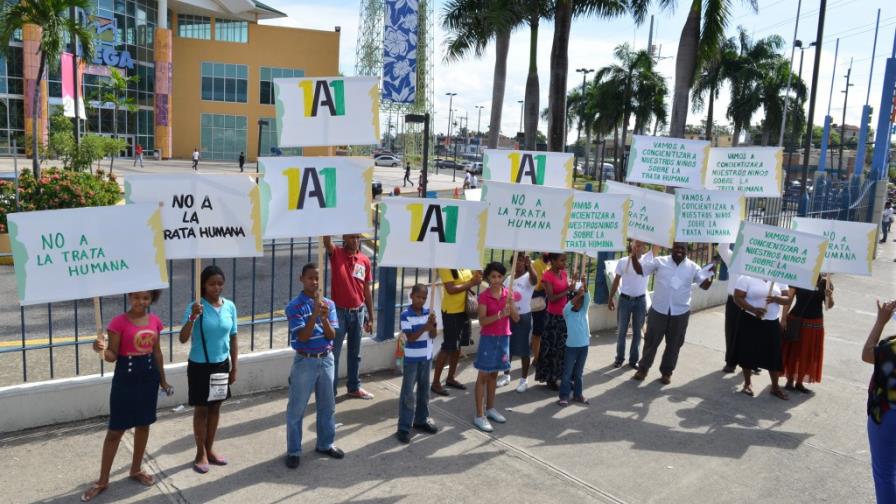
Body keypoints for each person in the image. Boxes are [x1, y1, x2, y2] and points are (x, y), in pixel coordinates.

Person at [80, 290, 170, 502]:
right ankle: (102, 480)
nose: (141, 301)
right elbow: (112, 356)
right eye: (137, 297)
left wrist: (163, 380)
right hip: (125, 378)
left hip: (148, 377)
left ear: (151, 300)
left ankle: (136, 469)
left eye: (146, 298)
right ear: (130, 297)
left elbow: (157, 352)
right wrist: (99, 349)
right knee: (115, 430)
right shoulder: (118, 323)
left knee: (144, 425)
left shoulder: (155, 321)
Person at [179, 265, 238, 474]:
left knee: (215, 408)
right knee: (201, 410)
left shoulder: (230, 306)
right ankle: (199, 453)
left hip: (221, 364)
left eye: (220, 284)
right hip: (200, 366)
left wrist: (234, 366)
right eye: (212, 284)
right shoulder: (195, 307)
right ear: (203, 285)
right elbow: (183, 338)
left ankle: (210, 448)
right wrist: (192, 317)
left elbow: (233, 337)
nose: (216, 288)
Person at [284, 263, 343, 468]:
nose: (314, 282)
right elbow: (303, 336)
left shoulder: (329, 304)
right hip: (305, 361)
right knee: (297, 408)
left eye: (318, 278)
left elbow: (332, 335)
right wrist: (313, 315)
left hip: (326, 359)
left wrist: (324, 318)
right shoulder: (294, 306)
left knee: (328, 405)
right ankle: (294, 450)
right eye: (310, 278)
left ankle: (325, 443)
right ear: (302, 279)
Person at [632, 243, 713, 385]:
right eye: (677, 247)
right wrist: (634, 254)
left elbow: (705, 286)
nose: (679, 250)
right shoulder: (660, 262)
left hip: (680, 313)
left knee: (674, 344)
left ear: (687, 250)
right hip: (659, 310)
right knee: (651, 341)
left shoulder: (693, 267)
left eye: (682, 248)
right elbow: (640, 270)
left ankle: (667, 373)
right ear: (671, 249)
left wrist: (710, 274)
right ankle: (643, 369)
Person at [323, 235, 375, 400]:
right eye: (351, 237)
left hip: (358, 313)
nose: (355, 240)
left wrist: (371, 316)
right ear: (344, 238)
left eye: (357, 237)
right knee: (334, 354)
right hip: (338, 313)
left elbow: (366, 290)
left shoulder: (364, 260)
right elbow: (326, 242)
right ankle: (330, 392)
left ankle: (354, 387)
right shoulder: (336, 253)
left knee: (355, 353)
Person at [473, 262, 518, 432]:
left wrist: (511, 307)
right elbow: (483, 321)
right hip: (489, 339)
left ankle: (490, 408)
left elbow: (516, 319)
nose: (497, 280)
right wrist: (499, 315)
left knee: (494, 375)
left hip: (504, 338)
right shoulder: (484, 296)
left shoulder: (508, 294)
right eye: (493, 276)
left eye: (500, 276)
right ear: (488, 278)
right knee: (483, 376)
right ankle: (479, 415)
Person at [731, 275, 792, 399]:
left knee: (773, 354)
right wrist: (753, 309)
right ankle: (747, 384)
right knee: (747, 350)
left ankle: (775, 387)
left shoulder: (780, 278)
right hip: (750, 319)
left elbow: (788, 299)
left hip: (772, 321)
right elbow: (737, 297)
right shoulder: (746, 277)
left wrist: (776, 298)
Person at [395, 284, 439, 443]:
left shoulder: (429, 313)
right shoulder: (406, 314)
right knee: (408, 394)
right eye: (418, 297)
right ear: (411, 296)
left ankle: (421, 420)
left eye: (424, 298)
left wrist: (432, 325)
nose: (421, 300)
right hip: (412, 359)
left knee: (424, 390)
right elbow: (411, 337)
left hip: (426, 357)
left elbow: (433, 334)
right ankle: (403, 427)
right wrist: (425, 327)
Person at [863, 299, 896, 503]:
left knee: (884, 474)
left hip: (888, 413)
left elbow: (867, 354)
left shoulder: (893, 346)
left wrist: (880, 322)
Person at [431, 268, 482, 396]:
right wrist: (471, 282)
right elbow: (451, 289)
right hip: (452, 312)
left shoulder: (465, 264)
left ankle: (450, 378)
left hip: (464, 310)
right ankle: (435, 382)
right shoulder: (445, 266)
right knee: (448, 346)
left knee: (458, 345)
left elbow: (470, 280)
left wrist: (477, 277)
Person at [781, 275, 834, 394]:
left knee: (809, 353)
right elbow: (788, 299)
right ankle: (790, 380)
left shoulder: (826, 282)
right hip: (797, 321)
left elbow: (828, 306)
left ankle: (799, 382)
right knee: (794, 351)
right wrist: (783, 318)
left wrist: (829, 296)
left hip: (815, 323)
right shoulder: (799, 277)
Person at [498, 252, 538, 392]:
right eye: (517, 260)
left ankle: (524, 380)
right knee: (506, 347)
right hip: (508, 317)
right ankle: (506, 375)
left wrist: (530, 265)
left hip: (523, 318)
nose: (520, 263)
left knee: (523, 350)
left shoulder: (528, 277)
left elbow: (535, 280)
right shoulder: (508, 278)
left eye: (522, 260)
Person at [608, 240, 648, 369]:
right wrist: (610, 298)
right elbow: (616, 280)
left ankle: (633, 360)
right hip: (625, 300)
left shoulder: (647, 262)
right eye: (635, 244)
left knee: (637, 332)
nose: (637, 247)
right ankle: (619, 358)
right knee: (621, 331)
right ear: (631, 246)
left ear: (644, 247)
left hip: (640, 301)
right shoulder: (623, 261)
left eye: (640, 245)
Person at [535, 253, 572, 390]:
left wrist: (572, 288)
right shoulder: (547, 276)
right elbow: (551, 298)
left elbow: (567, 293)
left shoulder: (564, 273)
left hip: (565, 316)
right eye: (562, 260)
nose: (564, 263)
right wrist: (568, 290)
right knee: (552, 349)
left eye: (565, 260)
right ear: (553, 261)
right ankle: (550, 378)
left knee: (562, 348)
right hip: (553, 318)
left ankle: (561, 375)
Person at [559, 277, 590, 407]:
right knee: (567, 373)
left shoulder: (584, 312)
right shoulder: (567, 313)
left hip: (584, 347)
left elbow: (587, 298)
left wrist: (584, 284)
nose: (580, 303)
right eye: (577, 300)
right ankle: (564, 396)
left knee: (579, 373)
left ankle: (578, 394)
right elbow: (568, 305)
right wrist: (578, 295)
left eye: (581, 301)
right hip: (571, 347)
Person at [717, 243, 746, 374]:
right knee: (731, 331)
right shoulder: (733, 258)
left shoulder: (759, 262)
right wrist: (730, 226)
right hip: (734, 300)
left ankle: (751, 363)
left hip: (752, 301)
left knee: (751, 334)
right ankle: (731, 362)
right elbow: (722, 248)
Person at [530, 253, 551, 366]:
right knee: (538, 331)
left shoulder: (549, 265)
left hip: (549, 300)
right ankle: (536, 357)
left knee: (545, 330)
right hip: (540, 301)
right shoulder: (537, 264)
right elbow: (538, 284)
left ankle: (541, 355)